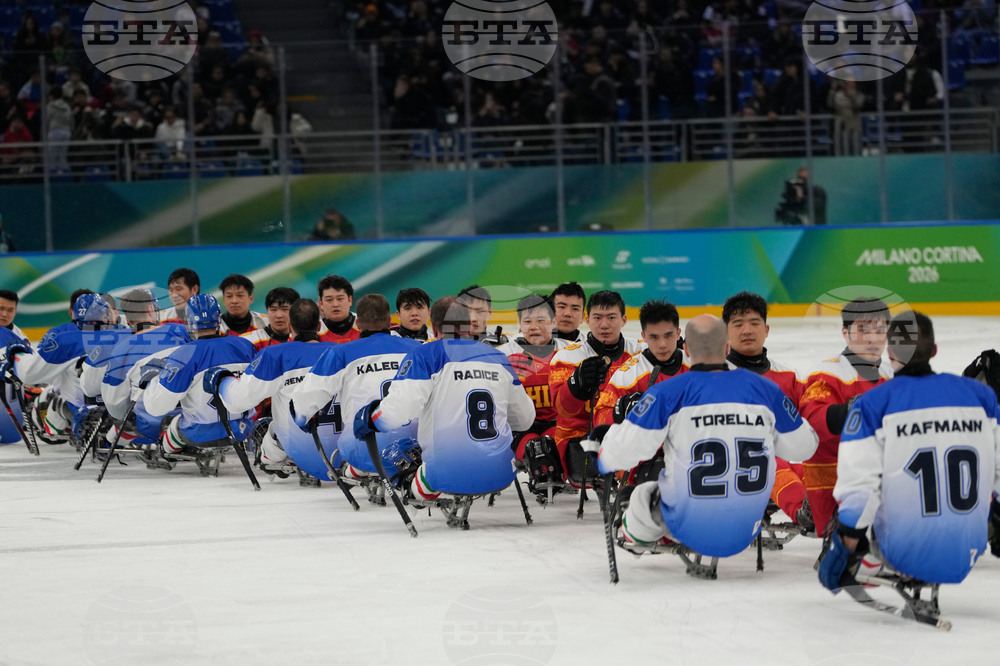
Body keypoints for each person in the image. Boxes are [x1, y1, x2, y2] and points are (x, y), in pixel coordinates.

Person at [591, 315, 818, 559]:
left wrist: (606, 440)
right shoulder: (766, 389)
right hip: (746, 530)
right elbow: (805, 447)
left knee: (640, 494)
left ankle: (640, 534)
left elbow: (616, 456)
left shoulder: (666, 393)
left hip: (690, 529)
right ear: (728, 347)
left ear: (685, 349)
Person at [819, 311, 1000, 592]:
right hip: (970, 551)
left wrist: (845, 545)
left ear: (890, 352)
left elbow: (860, 486)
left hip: (901, 553)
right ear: (934, 351)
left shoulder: (873, 403)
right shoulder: (982, 396)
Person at [353, 296, 535, 507]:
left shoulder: (425, 355)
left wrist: (369, 418)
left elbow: (397, 413)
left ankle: (421, 486)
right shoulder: (498, 357)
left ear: (434, 327)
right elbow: (525, 420)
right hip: (502, 472)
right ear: (469, 325)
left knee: (398, 452)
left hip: (445, 475)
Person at [291, 294, 422, 484]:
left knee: (353, 443)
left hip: (363, 448)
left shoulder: (340, 353)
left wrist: (302, 418)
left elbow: (306, 399)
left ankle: (356, 470)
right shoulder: (419, 348)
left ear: (358, 323)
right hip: (416, 448)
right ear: (389, 320)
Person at [208, 298, 332, 479]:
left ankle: (275, 457)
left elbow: (239, 401)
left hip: (300, 451)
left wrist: (222, 381)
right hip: (341, 452)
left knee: (271, 427)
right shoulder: (341, 352)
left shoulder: (275, 354)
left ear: (290, 327)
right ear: (320, 325)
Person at [800, 296, 893, 536]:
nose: (873, 338)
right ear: (845, 332)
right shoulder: (828, 372)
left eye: (880, 329)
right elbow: (812, 419)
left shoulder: (890, 375)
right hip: (838, 483)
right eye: (863, 330)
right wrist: (849, 410)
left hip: (882, 478)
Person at [722, 291, 811, 530]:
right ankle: (804, 511)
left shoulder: (788, 377)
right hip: (725, 469)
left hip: (773, 465)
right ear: (726, 332)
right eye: (738, 324)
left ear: (767, 329)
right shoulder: (712, 376)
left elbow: (813, 416)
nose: (747, 330)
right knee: (768, 461)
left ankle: (834, 510)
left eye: (754, 323)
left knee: (812, 469)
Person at [548, 290, 645, 485]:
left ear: (624, 320)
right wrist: (577, 385)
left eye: (611, 317)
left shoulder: (642, 352)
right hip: (580, 437)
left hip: (629, 434)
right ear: (587, 319)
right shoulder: (567, 357)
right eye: (597, 317)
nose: (604, 325)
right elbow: (561, 410)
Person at [141, 295, 256, 457]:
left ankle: (165, 452)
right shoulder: (244, 345)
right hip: (241, 429)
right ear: (218, 317)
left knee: (173, 420)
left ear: (189, 321)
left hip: (198, 433)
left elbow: (156, 407)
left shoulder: (183, 354)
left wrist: (152, 381)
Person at [3, 293, 118, 444]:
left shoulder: (65, 338)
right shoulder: (126, 335)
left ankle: (69, 412)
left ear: (74, 312)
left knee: (52, 398)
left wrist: (17, 354)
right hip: (119, 408)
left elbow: (29, 374)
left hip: (80, 405)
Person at [97, 289, 190, 451]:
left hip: (148, 425)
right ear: (149, 309)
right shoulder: (180, 332)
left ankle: (109, 443)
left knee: (126, 414)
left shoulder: (121, 350)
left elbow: (114, 403)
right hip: (190, 417)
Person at [498, 295, 570, 481]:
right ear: (520, 325)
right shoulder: (503, 355)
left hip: (557, 424)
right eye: (527, 321)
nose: (534, 326)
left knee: (551, 447)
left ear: (554, 322)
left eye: (541, 320)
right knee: (534, 449)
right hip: (519, 428)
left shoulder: (570, 353)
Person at [593, 300, 688, 428]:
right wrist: (621, 410)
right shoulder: (628, 375)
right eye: (654, 337)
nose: (662, 344)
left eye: (668, 336)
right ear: (643, 336)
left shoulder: (696, 365)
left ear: (678, 333)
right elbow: (599, 418)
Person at [242, 287, 299, 351]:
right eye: (273, 310)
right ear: (267, 311)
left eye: (285, 309)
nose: (279, 315)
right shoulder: (248, 341)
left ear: (296, 311)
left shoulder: (307, 341)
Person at [317, 274, 360, 343]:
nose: (335, 304)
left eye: (340, 299)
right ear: (321, 303)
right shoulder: (314, 332)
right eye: (329, 300)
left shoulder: (364, 325)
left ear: (350, 300)